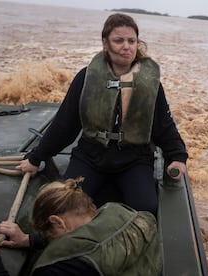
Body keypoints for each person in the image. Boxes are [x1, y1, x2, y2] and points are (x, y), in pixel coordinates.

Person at [16, 13, 188, 215]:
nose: (127, 46)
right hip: (90, 157)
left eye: (131, 41)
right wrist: (36, 158)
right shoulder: (86, 78)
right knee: (63, 207)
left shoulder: (150, 84)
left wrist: (177, 156)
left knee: (146, 209)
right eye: (119, 40)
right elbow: (65, 124)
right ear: (105, 43)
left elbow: (163, 125)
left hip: (134, 160)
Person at [0, 178, 162, 276]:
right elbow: (85, 237)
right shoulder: (125, 213)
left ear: (57, 221)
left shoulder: (64, 269)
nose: (49, 239)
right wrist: (29, 240)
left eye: (48, 233)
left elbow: (76, 248)